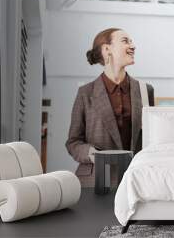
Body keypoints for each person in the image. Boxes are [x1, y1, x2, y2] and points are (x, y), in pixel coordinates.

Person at [66, 28, 154, 187]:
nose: (133, 46)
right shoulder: (86, 93)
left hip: (136, 180)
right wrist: (93, 155)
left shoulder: (145, 91)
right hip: (96, 180)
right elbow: (73, 142)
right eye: (125, 41)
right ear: (107, 49)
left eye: (132, 41)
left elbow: (152, 138)